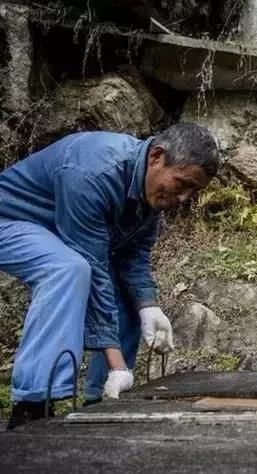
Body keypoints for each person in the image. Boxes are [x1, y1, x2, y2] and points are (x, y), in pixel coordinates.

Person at [0, 122, 220, 429]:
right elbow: (92, 264)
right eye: (182, 184)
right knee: (68, 269)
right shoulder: (93, 172)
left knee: (128, 294)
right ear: (156, 157)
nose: (184, 198)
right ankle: (32, 406)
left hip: (58, 231)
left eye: (193, 191)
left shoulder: (149, 192)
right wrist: (118, 362)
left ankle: (102, 402)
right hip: (10, 220)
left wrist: (148, 306)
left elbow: (133, 258)